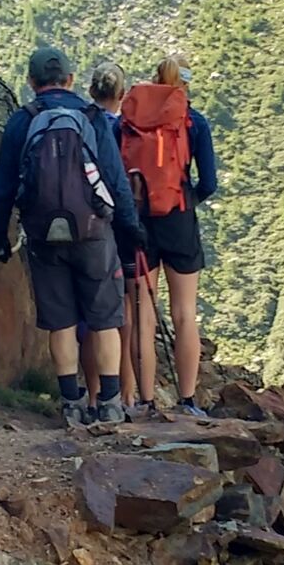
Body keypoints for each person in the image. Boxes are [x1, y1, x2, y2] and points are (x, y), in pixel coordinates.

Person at [0, 47, 144, 428]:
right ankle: (108, 403)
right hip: (94, 233)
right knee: (105, 319)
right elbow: (116, 182)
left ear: (31, 82)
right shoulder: (93, 118)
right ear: (71, 80)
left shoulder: (22, 121)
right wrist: (132, 231)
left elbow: (3, 187)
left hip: (43, 235)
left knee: (61, 322)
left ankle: (71, 404)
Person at [121, 54, 218, 418]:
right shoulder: (193, 122)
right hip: (178, 219)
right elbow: (208, 182)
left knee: (142, 312)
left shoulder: (128, 122)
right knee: (184, 312)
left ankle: (145, 401)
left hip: (137, 224)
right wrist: (184, 200)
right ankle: (188, 401)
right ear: (184, 83)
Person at [80, 62, 133, 403]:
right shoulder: (120, 129)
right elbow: (117, 180)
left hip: (76, 221)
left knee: (83, 316)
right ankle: (125, 395)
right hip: (111, 227)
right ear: (122, 96)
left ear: (89, 91)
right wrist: (133, 225)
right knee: (114, 314)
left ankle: (90, 393)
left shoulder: (79, 122)